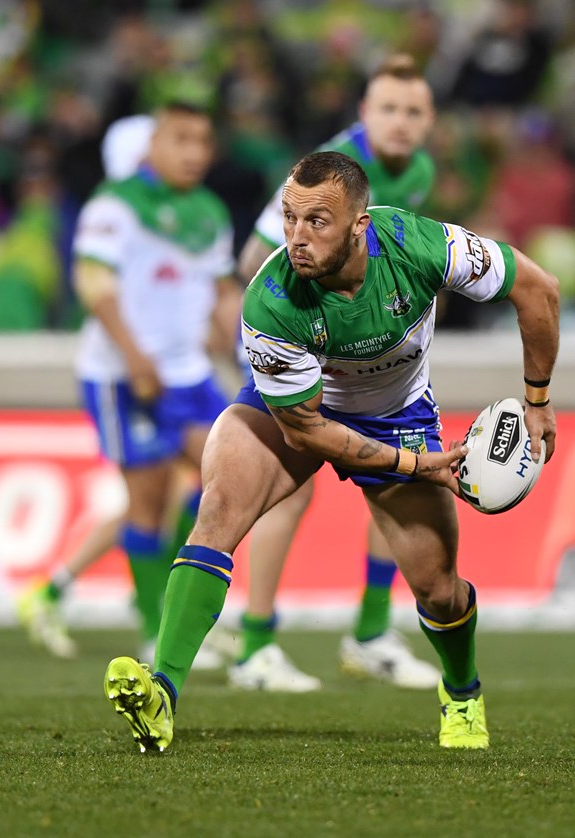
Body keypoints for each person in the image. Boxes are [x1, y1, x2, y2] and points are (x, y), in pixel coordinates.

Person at [103, 150, 559, 753]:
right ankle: (162, 693)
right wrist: (413, 465)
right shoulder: (270, 300)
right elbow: (306, 431)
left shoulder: (421, 246)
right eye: (289, 218)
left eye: (317, 221)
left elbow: (537, 288)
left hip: (397, 412)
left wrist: (537, 398)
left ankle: (462, 691)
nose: (297, 237)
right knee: (218, 510)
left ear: (359, 225)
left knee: (438, 589)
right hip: (295, 411)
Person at [230, 53, 441, 693]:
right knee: (289, 488)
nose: (400, 123)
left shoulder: (419, 171)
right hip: (301, 341)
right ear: (362, 115)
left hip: (373, 347)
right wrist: (309, 333)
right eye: (388, 109)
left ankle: (371, 634)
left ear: (430, 121)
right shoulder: (323, 176)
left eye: (413, 112)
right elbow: (253, 258)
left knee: (395, 477)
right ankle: (253, 646)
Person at [20, 102, 241, 664]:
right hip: (124, 374)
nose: (193, 153)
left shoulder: (211, 210)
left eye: (202, 141)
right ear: (153, 146)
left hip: (189, 373)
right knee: (145, 504)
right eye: (180, 140)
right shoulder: (116, 206)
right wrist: (138, 358)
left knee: (228, 479)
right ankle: (155, 628)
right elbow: (94, 285)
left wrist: (249, 354)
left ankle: (160, 592)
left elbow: (220, 296)